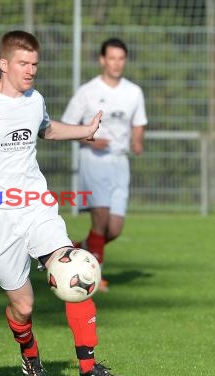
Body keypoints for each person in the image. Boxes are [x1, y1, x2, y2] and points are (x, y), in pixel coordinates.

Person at [0, 30, 127, 376]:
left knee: (75, 269)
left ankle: (89, 367)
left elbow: (46, 129)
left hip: (36, 206)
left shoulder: (34, 99)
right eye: (23, 64)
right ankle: (30, 356)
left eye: (35, 64)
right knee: (23, 306)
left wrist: (84, 131)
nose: (30, 71)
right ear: (4, 63)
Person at [62, 38, 147, 291]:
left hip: (120, 162)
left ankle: (81, 248)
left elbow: (139, 122)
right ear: (102, 60)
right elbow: (68, 124)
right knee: (100, 218)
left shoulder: (134, 92)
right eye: (112, 58)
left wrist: (137, 141)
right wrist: (90, 140)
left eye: (121, 58)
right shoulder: (88, 91)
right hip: (94, 160)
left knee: (115, 227)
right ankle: (95, 275)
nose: (116, 63)